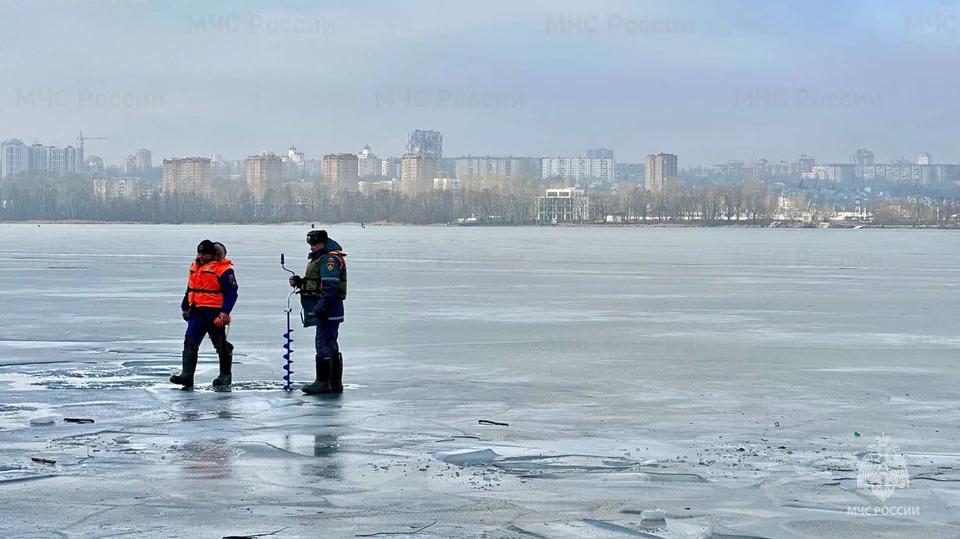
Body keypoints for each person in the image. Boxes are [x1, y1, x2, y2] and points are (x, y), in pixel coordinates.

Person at [170, 239, 238, 388]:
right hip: (196, 312)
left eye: (205, 253)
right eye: (200, 253)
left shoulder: (223, 269)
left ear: (213, 254)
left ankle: (225, 375)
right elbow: (190, 288)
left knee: (219, 344)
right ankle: (187, 375)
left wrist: (225, 312)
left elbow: (232, 293)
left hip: (213, 313)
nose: (201, 256)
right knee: (190, 341)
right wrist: (185, 307)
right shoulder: (195, 267)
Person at [288, 229, 347, 394]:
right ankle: (335, 383)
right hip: (329, 310)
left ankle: (323, 382)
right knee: (331, 344)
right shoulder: (321, 257)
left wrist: (319, 308)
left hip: (328, 310)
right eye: (309, 243)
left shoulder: (329, 259)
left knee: (323, 344)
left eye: (314, 243)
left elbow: (330, 287)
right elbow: (318, 283)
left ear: (322, 243)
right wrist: (301, 283)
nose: (311, 247)